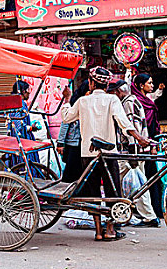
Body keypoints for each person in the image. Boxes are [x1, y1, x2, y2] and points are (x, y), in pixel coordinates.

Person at [62, 66, 149, 242]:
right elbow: (123, 122)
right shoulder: (112, 100)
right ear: (106, 84)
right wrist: (139, 137)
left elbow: (67, 117)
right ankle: (110, 228)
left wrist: (67, 99)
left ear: (92, 83)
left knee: (92, 191)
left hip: (88, 153)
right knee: (112, 191)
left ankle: (98, 231)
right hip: (109, 153)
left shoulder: (82, 101)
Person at [108, 80, 160, 228]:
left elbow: (131, 128)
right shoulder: (133, 100)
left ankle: (148, 216)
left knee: (135, 185)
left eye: (113, 92)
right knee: (134, 184)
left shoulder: (127, 103)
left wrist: (132, 153)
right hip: (133, 151)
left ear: (118, 92)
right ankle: (123, 214)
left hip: (130, 151)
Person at [131, 74, 163, 218]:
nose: (152, 85)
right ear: (140, 85)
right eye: (149, 83)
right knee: (145, 179)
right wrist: (151, 144)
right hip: (143, 146)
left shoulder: (147, 101)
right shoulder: (136, 103)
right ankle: (148, 211)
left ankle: (154, 209)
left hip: (150, 144)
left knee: (151, 177)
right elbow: (142, 127)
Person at [57, 80, 89, 183]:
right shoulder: (75, 103)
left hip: (84, 142)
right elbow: (65, 123)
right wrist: (60, 142)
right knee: (71, 170)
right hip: (73, 142)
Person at [8, 80, 41, 167]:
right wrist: (31, 128)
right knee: (26, 160)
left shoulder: (12, 101)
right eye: (28, 91)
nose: (29, 94)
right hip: (22, 138)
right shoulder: (20, 103)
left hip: (14, 137)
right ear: (23, 91)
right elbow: (19, 126)